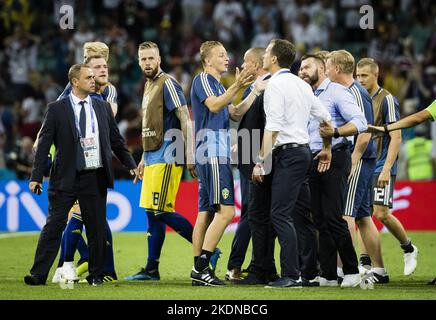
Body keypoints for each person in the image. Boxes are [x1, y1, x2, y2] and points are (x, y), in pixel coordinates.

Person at [25, 64, 139, 286]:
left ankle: (96, 274)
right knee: (54, 226)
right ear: (75, 82)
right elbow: (45, 144)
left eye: (93, 76)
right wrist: (36, 176)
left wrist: (131, 164)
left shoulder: (103, 107)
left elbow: (116, 140)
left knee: (96, 228)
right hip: (65, 177)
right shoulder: (57, 109)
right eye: (88, 77)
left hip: (94, 175)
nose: (93, 80)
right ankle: (38, 274)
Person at [124, 41, 219, 281]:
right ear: (138, 61)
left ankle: (210, 251)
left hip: (169, 156)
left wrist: (189, 155)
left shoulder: (168, 83)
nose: (147, 63)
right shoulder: (148, 86)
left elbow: (185, 119)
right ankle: (151, 268)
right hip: (153, 156)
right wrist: (144, 158)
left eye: (151, 58)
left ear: (159, 60)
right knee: (151, 213)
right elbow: (151, 126)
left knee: (160, 210)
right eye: (143, 59)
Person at [252, 39, 331, 288]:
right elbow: (325, 118)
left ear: (274, 59)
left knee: (279, 214)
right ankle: (308, 274)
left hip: (287, 155)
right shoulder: (301, 84)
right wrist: (327, 147)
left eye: (266, 52)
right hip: (303, 153)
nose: (264, 56)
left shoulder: (274, 85)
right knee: (299, 215)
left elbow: (273, 128)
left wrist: (259, 162)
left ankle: (291, 275)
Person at [190, 40, 257, 286]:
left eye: (226, 53)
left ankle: (198, 270)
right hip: (213, 151)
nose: (226, 58)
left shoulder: (217, 84)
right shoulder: (204, 80)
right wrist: (237, 85)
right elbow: (215, 105)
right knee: (227, 211)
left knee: (205, 213)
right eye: (220, 54)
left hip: (209, 152)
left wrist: (255, 90)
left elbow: (234, 113)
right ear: (207, 60)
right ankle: (201, 268)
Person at [52, 43, 119, 284]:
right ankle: (91, 264)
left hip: (93, 165)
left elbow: (108, 120)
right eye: (92, 65)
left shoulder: (107, 92)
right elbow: (57, 116)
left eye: (103, 65)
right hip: (71, 164)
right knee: (85, 219)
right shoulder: (71, 93)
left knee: (86, 218)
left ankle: (69, 265)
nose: (99, 71)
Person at [299, 53, 367, 287]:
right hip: (313, 157)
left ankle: (351, 270)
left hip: (336, 157)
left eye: (307, 67)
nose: (302, 71)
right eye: (300, 67)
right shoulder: (307, 94)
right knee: (319, 218)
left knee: (334, 216)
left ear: (322, 68)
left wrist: (336, 133)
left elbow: (360, 122)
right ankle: (327, 274)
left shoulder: (336, 91)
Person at [320, 50, 384, 284]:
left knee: (345, 214)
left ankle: (344, 269)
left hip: (358, 157)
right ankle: (379, 269)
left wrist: (353, 159)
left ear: (336, 69)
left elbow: (364, 128)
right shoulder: (355, 91)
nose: (325, 71)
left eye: (327, 66)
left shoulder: (353, 92)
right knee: (363, 216)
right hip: (363, 158)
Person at [357, 57, 418, 279]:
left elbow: (396, 135)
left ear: (376, 74)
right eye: (357, 75)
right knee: (360, 215)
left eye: (364, 75)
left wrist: (387, 168)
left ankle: (408, 247)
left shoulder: (387, 100)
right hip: (363, 163)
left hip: (382, 163)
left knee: (381, 214)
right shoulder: (357, 98)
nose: (360, 79)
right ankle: (367, 265)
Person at [226, 47, 278, 284]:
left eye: (246, 62)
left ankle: (237, 264)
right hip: (249, 158)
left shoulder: (270, 88)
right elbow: (240, 117)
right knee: (254, 213)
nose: (242, 66)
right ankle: (257, 263)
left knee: (253, 213)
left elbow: (269, 125)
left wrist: (260, 158)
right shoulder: (254, 88)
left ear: (257, 64)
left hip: (260, 160)